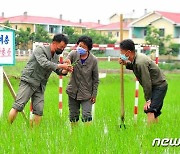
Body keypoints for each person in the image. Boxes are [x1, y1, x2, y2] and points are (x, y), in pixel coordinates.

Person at [8, 34, 73, 126]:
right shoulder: (40, 49)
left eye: (64, 48)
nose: (62, 49)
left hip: (40, 85)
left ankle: (34, 133)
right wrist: (62, 65)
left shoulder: (55, 56)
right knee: (18, 106)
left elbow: (58, 70)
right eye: (61, 47)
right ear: (54, 43)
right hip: (29, 81)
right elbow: (44, 63)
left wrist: (66, 69)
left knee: (39, 110)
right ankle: (7, 127)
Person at [119, 39, 168, 124]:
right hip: (156, 86)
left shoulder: (140, 62)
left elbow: (146, 81)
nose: (121, 53)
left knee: (150, 110)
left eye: (122, 51)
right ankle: (155, 132)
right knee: (154, 112)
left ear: (128, 52)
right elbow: (134, 66)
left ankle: (150, 134)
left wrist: (148, 99)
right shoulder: (136, 59)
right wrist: (126, 63)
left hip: (159, 86)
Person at [64, 35, 99, 126]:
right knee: (73, 115)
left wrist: (94, 94)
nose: (80, 48)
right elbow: (67, 60)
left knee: (87, 116)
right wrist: (68, 64)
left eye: (83, 47)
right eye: (79, 45)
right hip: (73, 91)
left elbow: (95, 80)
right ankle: (74, 136)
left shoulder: (93, 60)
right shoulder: (73, 54)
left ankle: (87, 137)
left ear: (88, 48)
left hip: (87, 93)